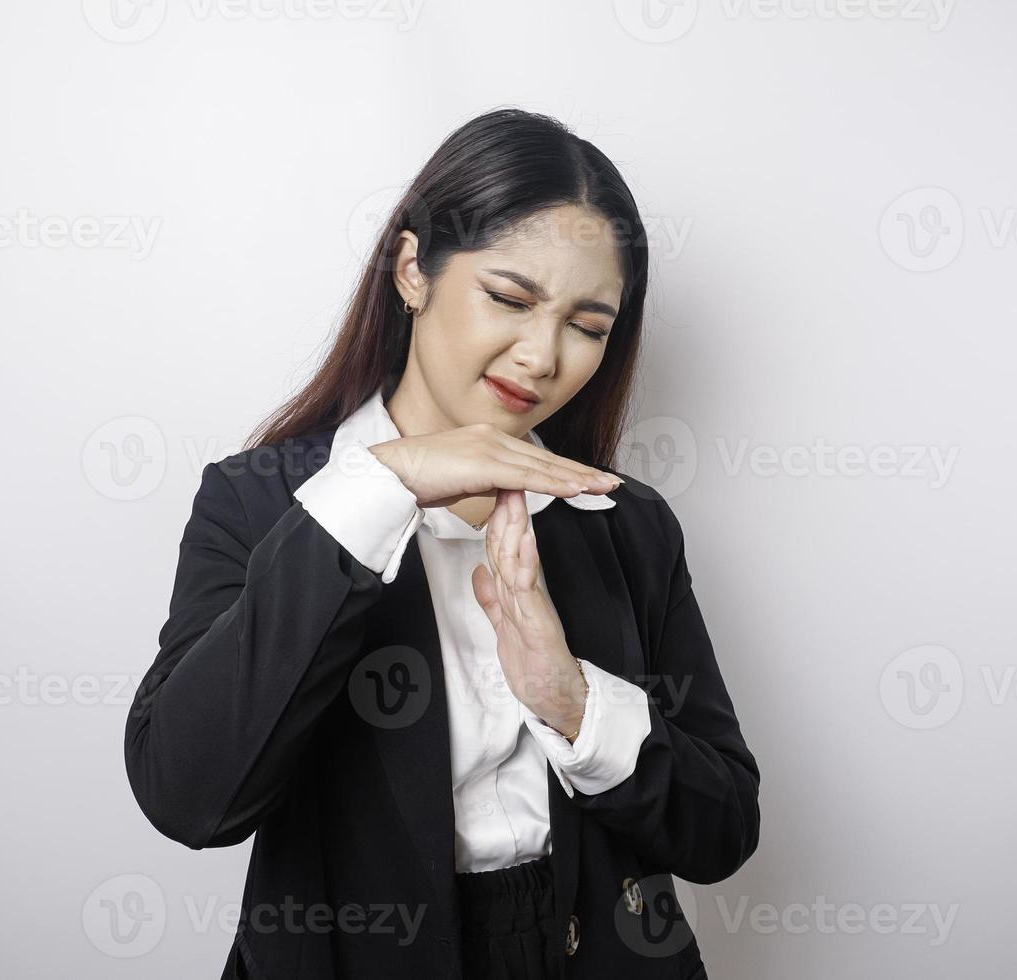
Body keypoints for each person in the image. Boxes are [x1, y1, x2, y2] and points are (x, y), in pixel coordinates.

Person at [123, 107, 761, 980]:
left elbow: (721, 828)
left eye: (588, 325)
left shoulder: (626, 523)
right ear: (414, 268)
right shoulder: (263, 503)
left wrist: (571, 701)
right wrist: (380, 488)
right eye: (509, 297)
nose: (542, 356)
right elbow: (187, 796)